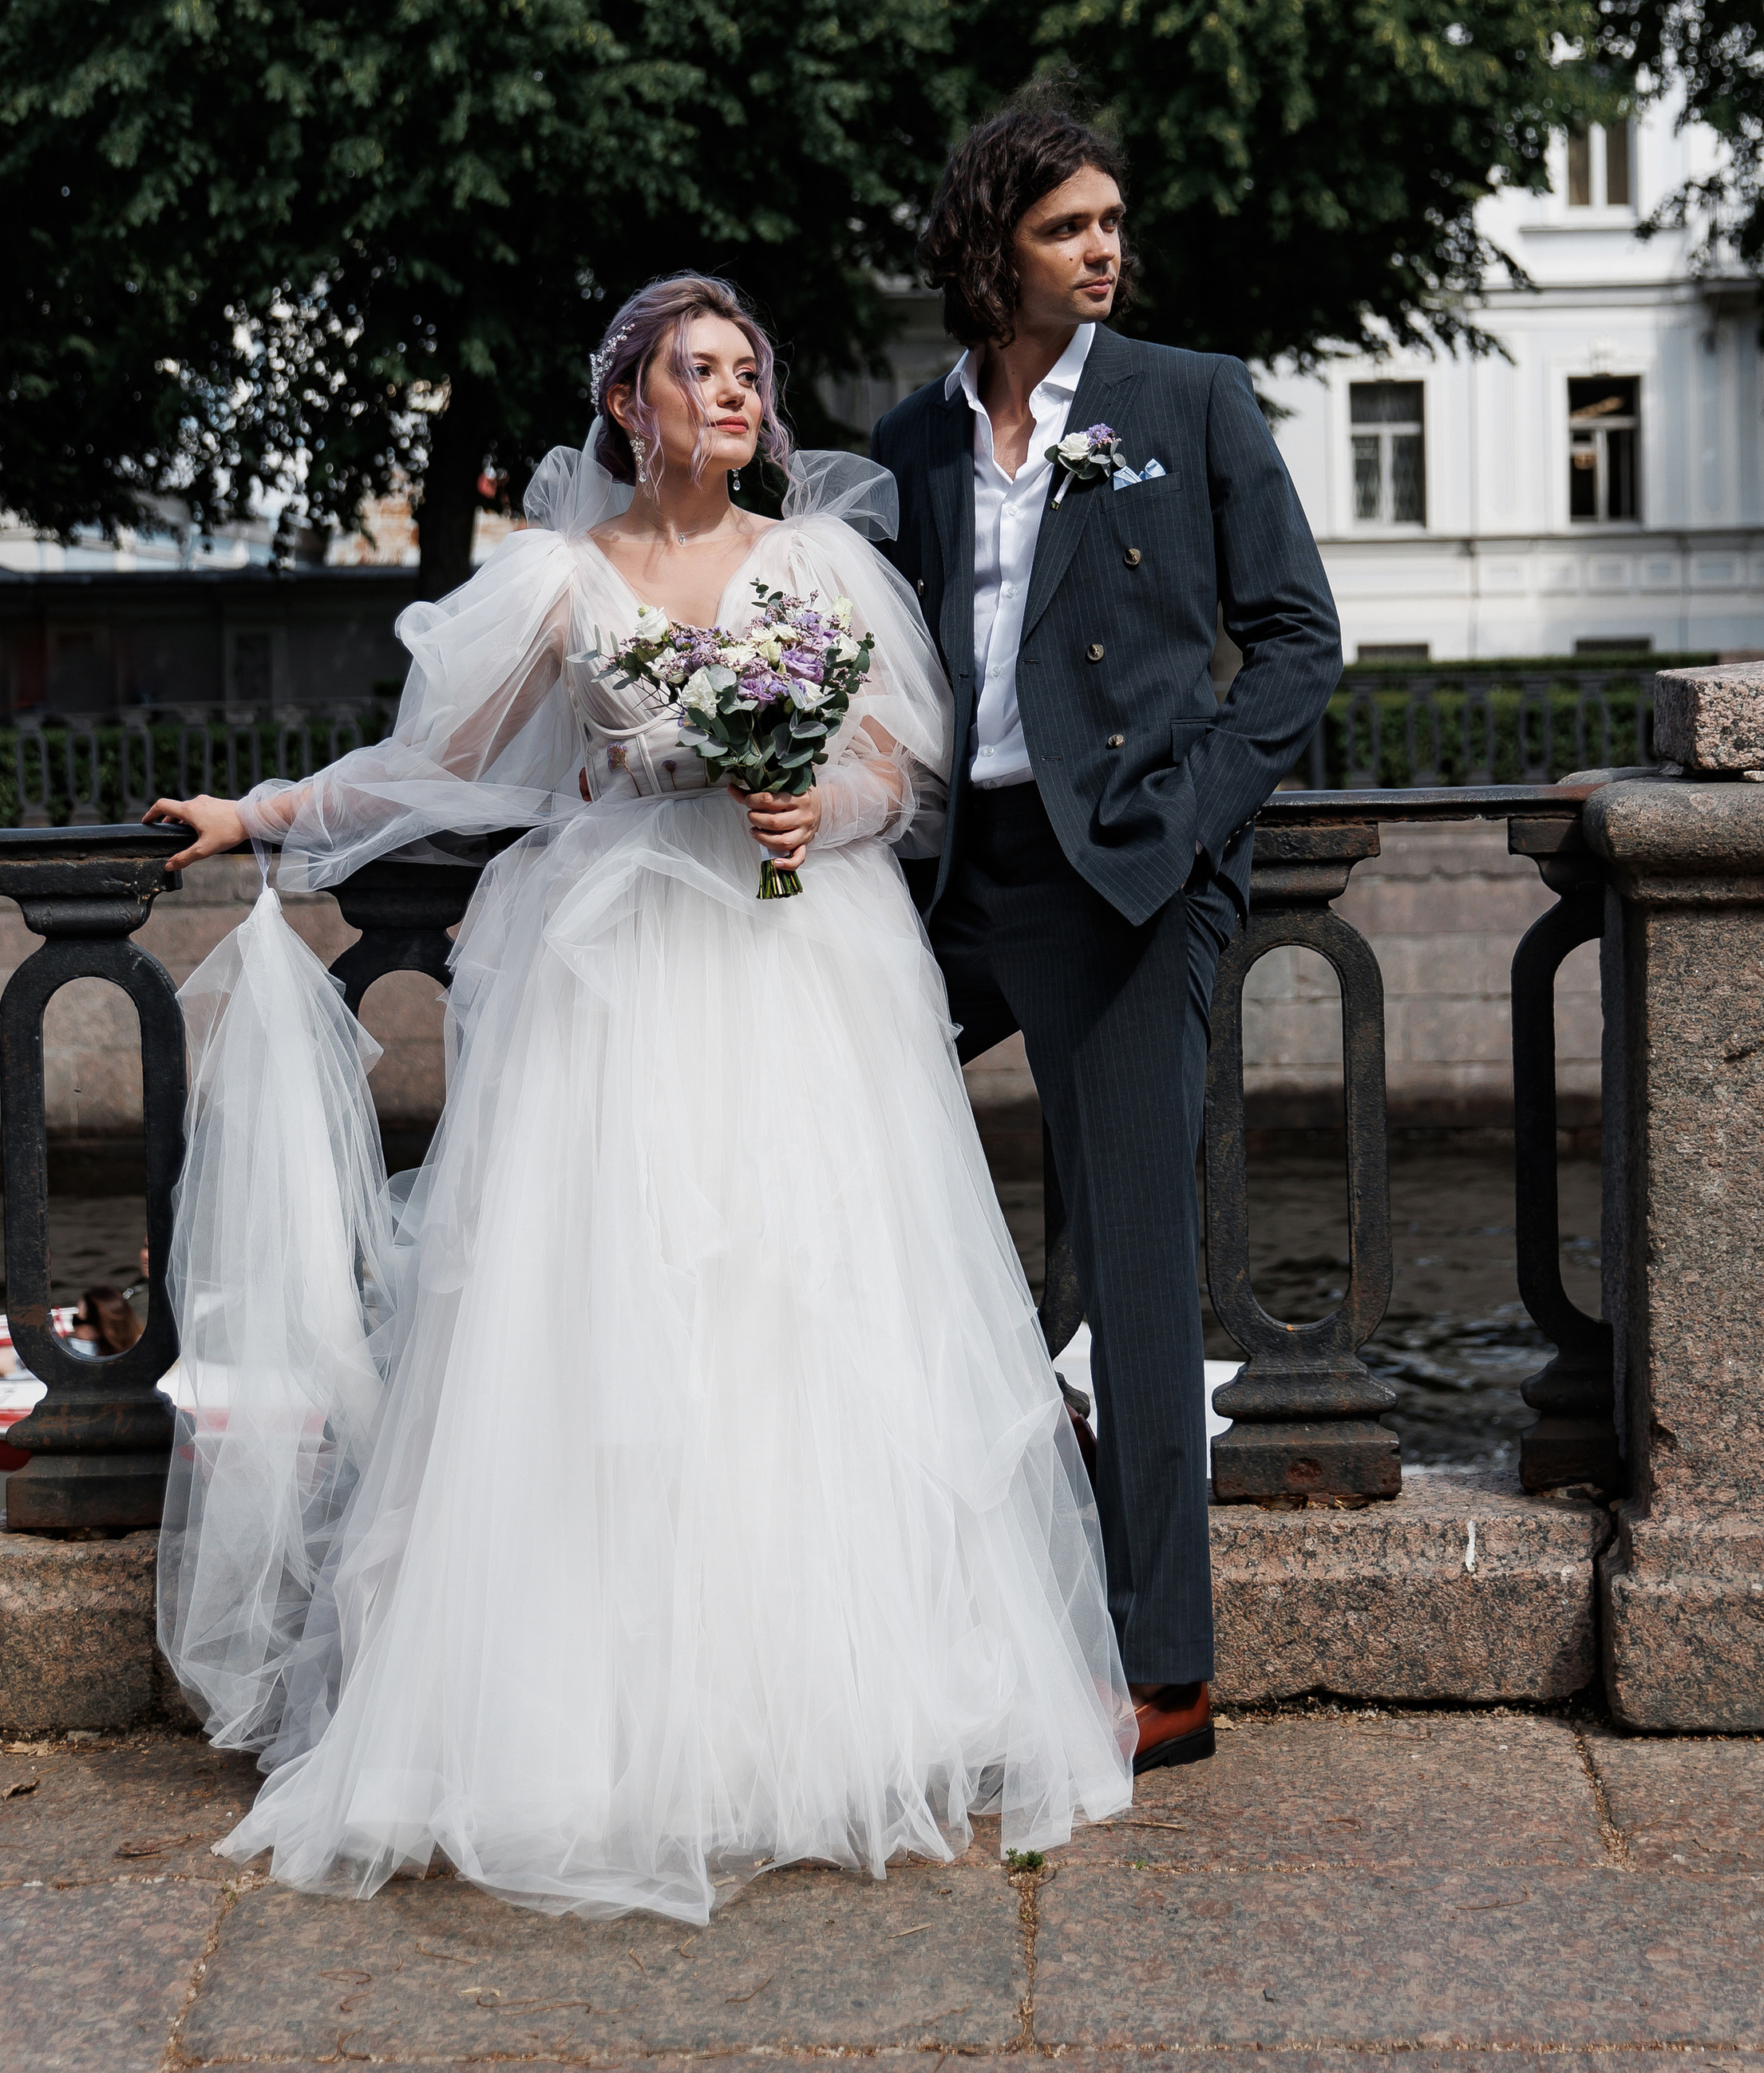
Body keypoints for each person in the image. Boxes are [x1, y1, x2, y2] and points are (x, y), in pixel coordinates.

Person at [144, 272, 1133, 1925]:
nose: (731, 394)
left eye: (747, 371)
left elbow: (900, 760)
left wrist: (818, 792)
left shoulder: (814, 567)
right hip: (606, 984)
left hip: (794, 973)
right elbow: (437, 761)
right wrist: (259, 812)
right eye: (696, 371)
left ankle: (820, 1709)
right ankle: (581, 1730)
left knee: (800, 1306)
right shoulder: (553, 576)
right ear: (629, 403)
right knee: (597, 1324)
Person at [869, 97, 1342, 1773]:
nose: (1104, 250)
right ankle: (867, 1608)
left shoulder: (1184, 397)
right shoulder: (915, 438)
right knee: (814, 1163)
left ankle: (1165, 1670)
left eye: (1112, 224)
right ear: (991, 241)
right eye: (1070, 226)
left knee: (1131, 1278)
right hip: (942, 881)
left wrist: (1189, 820)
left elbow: (1295, 641)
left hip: (1120, 874)